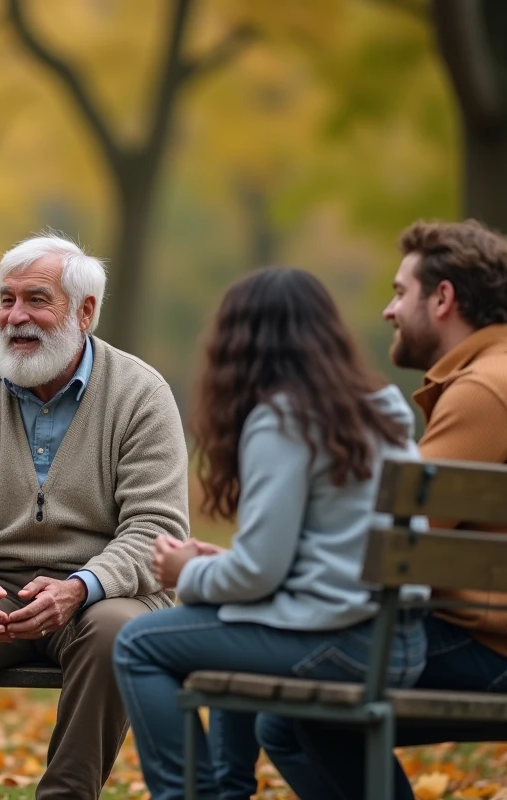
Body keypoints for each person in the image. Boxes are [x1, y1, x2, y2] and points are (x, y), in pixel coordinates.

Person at [259, 219, 507, 799]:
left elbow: (394, 545)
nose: (389, 311)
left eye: (399, 292)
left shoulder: (484, 392)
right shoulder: (506, 378)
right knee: (285, 718)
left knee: (305, 694)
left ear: (442, 299)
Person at [0, 233, 191, 799]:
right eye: (6, 300)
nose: (15, 317)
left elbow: (157, 531)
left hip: (103, 597)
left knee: (117, 633)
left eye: (36, 299)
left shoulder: (141, 394)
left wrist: (81, 587)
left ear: (85, 311)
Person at [110, 267, 426, 800]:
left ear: (240, 344)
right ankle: (228, 789)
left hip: (340, 642)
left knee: (138, 643)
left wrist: (188, 571)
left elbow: (258, 573)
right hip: (400, 639)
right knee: (227, 616)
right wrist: (218, 567)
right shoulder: (382, 409)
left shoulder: (284, 420)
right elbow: (315, 551)